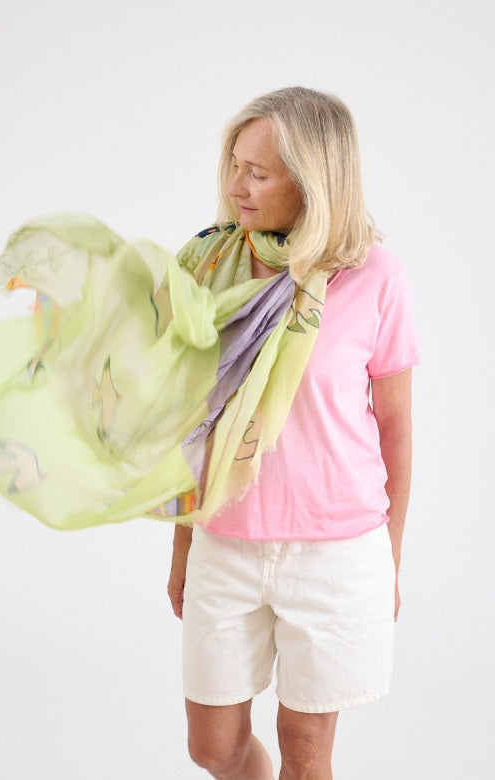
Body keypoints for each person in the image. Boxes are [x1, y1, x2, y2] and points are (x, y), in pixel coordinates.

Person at [167, 87, 419, 779]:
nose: (234, 186)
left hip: (337, 553)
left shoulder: (375, 278)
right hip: (226, 537)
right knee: (211, 748)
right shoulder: (208, 270)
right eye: (234, 164)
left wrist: (389, 561)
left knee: (307, 752)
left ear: (313, 180)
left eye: (258, 171)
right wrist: (183, 542)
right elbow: (194, 421)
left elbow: (396, 431)